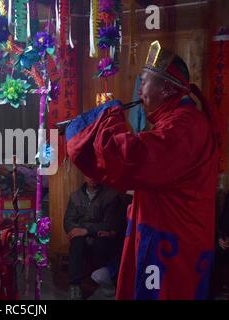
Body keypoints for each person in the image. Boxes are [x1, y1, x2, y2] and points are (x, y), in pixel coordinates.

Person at [66, 41, 218, 299]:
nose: (140, 90)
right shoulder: (175, 120)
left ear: (167, 88)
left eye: (144, 82)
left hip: (173, 239)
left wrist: (110, 121)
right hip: (161, 230)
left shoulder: (185, 125)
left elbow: (132, 159)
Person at [63, 175, 123, 300]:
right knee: (77, 241)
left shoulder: (110, 196)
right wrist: (76, 231)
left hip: (99, 236)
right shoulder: (75, 196)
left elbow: (108, 224)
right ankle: (75, 286)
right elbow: (68, 220)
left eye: (94, 173)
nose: (92, 177)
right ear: (83, 176)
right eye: (87, 173)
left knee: (101, 241)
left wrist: (85, 230)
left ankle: (106, 281)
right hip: (82, 237)